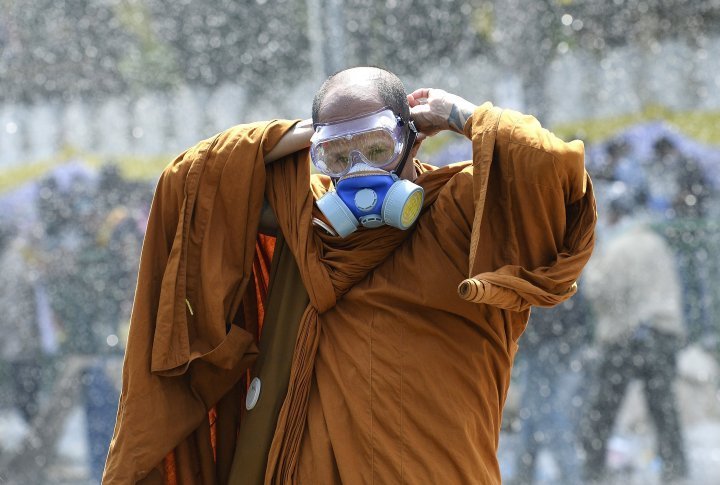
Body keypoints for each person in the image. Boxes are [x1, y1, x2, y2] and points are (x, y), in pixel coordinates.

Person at [103, 66, 596, 484]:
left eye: (377, 148)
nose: (357, 170)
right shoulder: (310, 223)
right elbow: (190, 184)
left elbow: (555, 172)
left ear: (410, 137)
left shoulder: (460, 211)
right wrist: (301, 134)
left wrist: (459, 115)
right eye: (337, 156)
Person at [581, 186, 688, 482]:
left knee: (602, 412)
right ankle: (676, 469)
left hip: (627, 340)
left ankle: (593, 471)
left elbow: (600, 292)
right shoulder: (657, 243)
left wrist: (589, 264)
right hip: (662, 335)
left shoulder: (619, 248)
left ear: (614, 215)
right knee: (664, 410)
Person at [507, 287, 592, 484]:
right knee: (534, 412)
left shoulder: (546, 262)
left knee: (545, 414)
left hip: (548, 339)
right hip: (551, 338)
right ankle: (526, 474)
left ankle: (568, 476)